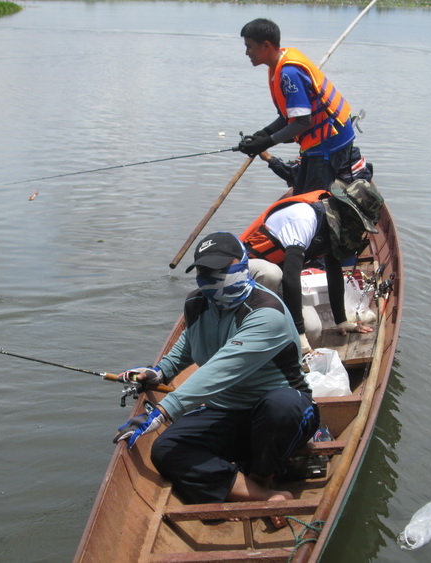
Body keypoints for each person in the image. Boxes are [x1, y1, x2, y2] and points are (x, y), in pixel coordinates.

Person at [113, 232, 319, 526]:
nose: (210, 278)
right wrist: (158, 372)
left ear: (243, 264)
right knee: (165, 449)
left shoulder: (266, 312)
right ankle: (266, 496)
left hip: (282, 416)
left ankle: (262, 474)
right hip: (227, 411)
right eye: (204, 270)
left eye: (220, 269)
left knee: (280, 406)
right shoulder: (197, 303)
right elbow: (190, 343)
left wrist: (162, 411)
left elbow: (220, 369)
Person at [240, 178, 384, 354]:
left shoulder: (334, 224)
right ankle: (250, 333)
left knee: (313, 329)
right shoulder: (305, 217)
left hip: (277, 279)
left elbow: (334, 271)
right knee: (271, 274)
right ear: (349, 212)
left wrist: (341, 320)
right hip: (244, 273)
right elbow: (291, 277)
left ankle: (278, 348)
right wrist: (299, 334)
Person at [238, 18, 370, 194]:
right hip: (319, 142)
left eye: (249, 46)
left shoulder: (289, 74)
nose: (247, 52)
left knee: (312, 199)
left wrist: (266, 143)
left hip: (330, 142)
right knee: (300, 191)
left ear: (266, 46)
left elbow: (302, 122)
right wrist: (263, 134)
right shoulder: (278, 67)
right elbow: (289, 116)